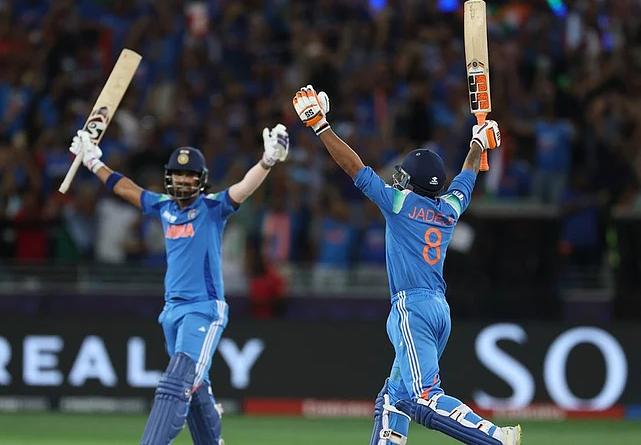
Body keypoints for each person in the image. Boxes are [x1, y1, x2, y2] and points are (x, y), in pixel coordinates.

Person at [293, 85, 522, 445]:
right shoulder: (449, 208)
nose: (397, 181)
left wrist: (321, 126)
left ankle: (495, 438)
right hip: (439, 310)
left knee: (424, 397)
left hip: (412, 308)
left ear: (412, 184)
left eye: (403, 177)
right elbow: (467, 177)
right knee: (393, 398)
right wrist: (478, 143)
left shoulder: (399, 204)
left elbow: (354, 167)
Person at [67, 124, 289, 445]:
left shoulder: (211, 208)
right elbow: (126, 189)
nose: (183, 180)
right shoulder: (164, 207)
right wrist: (92, 161)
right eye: (178, 174)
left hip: (203, 310)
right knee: (194, 388)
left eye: (189, 175)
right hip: (171, 313)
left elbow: (243, 188)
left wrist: (267, 161)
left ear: (201, 180)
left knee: (177, 381)